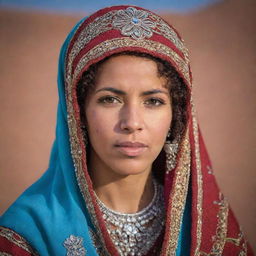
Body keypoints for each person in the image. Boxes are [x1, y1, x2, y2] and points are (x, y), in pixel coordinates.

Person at [0, 5, 253, 256]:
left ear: (176, 115)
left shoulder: (206, 226)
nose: (132, 122)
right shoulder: (28, 236)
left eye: (153, 101)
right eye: (110, 99)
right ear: (79, 113)